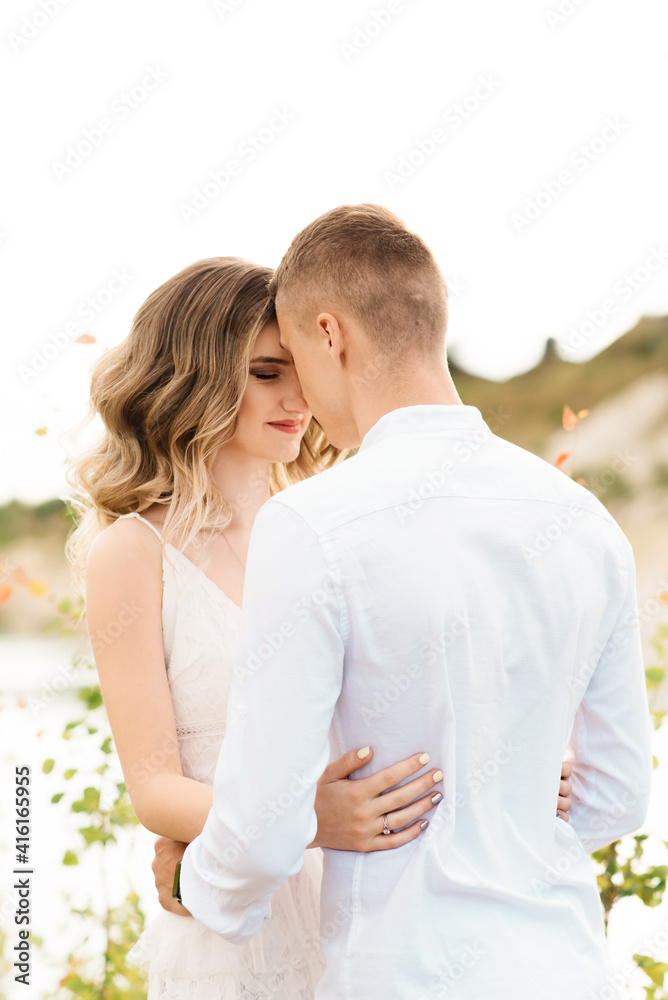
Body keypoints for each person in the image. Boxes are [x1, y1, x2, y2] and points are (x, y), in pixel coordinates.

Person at [152, 205, 652, 999]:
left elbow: (263, 827)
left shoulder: (313, 523)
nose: (304, 400)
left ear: (330, 334)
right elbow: (618, 796)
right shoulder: (583, 521)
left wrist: (193, 886)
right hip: (566, 968)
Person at [72, 256, 520, 999]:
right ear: (195, 377)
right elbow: (153, 787)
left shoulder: (333, 524)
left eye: (299, 371)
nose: (298, 398)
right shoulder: (133, 553)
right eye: (265, 372)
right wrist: (304, 820)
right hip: (238, 927)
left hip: (374, 901)